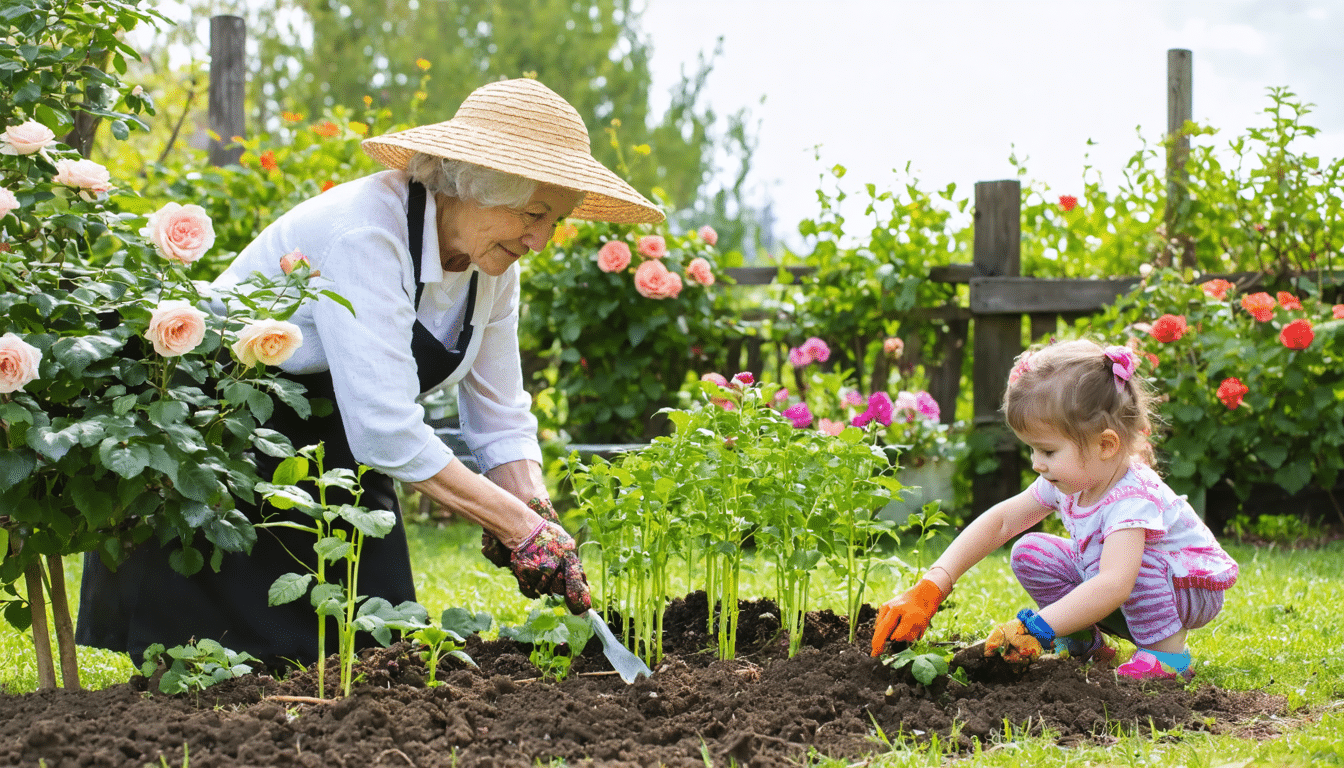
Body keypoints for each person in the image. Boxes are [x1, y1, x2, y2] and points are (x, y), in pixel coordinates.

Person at [77, 78, 665, 668]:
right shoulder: (367, 231)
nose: (540, 241)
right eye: (534, 214)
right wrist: (513, 526)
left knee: (373, 652)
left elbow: (501, 418)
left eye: (554, 221)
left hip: (335, 440)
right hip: (228, 426)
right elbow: (384, 427)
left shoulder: (493, 267)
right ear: (472, 184)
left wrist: (535, 511)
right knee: (226, 664)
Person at [870, 339, 1239, 681]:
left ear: (1105, 445)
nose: (1036, 463)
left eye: (1047, 451)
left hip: (1187, 588)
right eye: (1032, 449)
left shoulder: (1132, 499)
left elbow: (1115, 584)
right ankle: (1081, 640)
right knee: (1029, 552)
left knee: (1132, 561)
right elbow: (1002, 522)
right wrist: (935, 583)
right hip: (1127, 582)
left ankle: (1166, 656)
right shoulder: (1071, 480)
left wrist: (1036, 628)